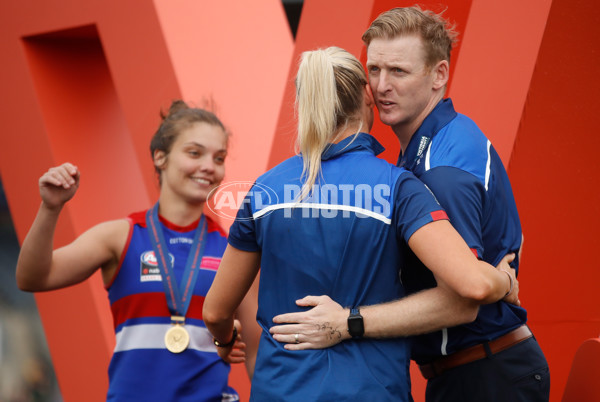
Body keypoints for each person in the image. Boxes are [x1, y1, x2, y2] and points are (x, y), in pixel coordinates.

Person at [202, 46, 517, 402]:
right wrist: (504, 279)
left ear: (306, 106)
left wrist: (226, 341)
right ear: (367, 97)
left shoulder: (265, 190)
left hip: (281, 390)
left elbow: (215, 310)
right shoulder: (398, 186)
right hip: (372, 391)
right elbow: (472, 285)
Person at [270, 6, 549, 402]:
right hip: (469, 372)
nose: (381, 86)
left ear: (439, 75)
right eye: (375, 70)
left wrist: (347, 322)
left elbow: (462, 300)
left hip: (487, 376)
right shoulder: (425, 150)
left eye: (398, 71)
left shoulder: (441, 169)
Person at [16, 100, 260, 401]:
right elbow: (32, 278)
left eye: (219, 157)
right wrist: (50, 208)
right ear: (160, 157)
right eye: (195, 153)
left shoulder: (232, 250)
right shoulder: (120, 235)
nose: (209, 166)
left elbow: (256, 355)